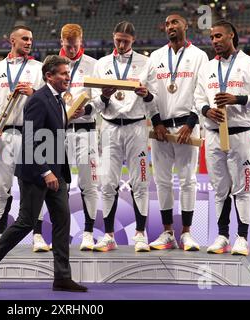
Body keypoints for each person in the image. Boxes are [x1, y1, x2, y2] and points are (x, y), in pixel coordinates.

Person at [0, 55, 87, 292]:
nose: (68, 77)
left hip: (57, 172)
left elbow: (52, 133)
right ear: (49, 76)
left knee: (62, 221)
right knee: (26, 222)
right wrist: (46, 172)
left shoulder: (55, 100)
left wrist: (67, 117)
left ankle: (62, 277)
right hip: (37, 172)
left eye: (68, 73)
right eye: (63, 74)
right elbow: (31, 140)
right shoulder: (38, 100)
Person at [194, 20, 250, 255]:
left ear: (231, 36)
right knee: (219, 189)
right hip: (213, 135)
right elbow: (197, 99)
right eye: (212, 38)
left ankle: (242, 238)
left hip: (240, 135)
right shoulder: (206, 68)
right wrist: (207, 110)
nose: (215, 41)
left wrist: (237, 99)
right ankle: (221, 235)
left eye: (219, 36)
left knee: (242, 188)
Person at [145, 14, 208, 251]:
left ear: (186, 25)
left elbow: (202, 92)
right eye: (167, 24)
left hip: (186, 126)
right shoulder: (156, 56)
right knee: (161, 181)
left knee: (188, 180)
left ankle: (187, 233)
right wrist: (156, 121)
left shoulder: (199, 56)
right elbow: (149, 92)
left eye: (175, 23)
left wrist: (191, 123)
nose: (170, 27)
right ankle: (167, 232)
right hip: (160, 127)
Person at [90, 21, 154, 252]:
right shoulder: (102, 63)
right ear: (113, 37)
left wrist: (146, 95)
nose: (121, 44)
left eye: (125, 41)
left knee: (140, 182)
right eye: (118, 39)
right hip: (109, 128)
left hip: (136, 127)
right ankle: (108, 235)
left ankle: (140, 234)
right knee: (107, 182)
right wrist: (105, 97)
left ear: (133, 40)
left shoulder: (146, 63)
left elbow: (155, 101)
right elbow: (95, 103)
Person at [0, 25, 49, 252]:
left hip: (32, 134)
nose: (29, 42)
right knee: (2, 186)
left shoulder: (39, 69)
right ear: (12, 40)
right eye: (24, 39)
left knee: (34, 185)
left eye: (31, 39)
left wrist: (34, 94)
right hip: (5, 134)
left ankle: (38, 235)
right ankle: (1, 233)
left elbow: (50, 100)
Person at [59, 24, 100, 251]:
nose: (72, 50)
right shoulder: (54, 64)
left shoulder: (94, 65)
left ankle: (88, 232)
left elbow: (101, 100)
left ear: (81, 41)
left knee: (89, 184)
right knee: (61, 184)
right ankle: (62, 232)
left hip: (86, 129)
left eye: (75, 46)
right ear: (61, 42)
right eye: (67, 46)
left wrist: (87, 110)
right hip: (60, 130)